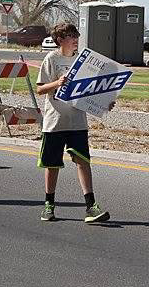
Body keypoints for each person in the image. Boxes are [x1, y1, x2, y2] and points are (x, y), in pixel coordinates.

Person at [35, 22, 111, 223]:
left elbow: (91, 90)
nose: (76, 39)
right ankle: (49, 205)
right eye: (71, 36)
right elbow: (40, 89)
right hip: (55, 121)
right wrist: (57, 83)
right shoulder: (51, 59)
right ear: (60, 40)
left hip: (77, 121)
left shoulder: (82, 61)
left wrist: (104, 103)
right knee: (52, 165)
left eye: (76, 36)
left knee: (83, 161)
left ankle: (90, 206)